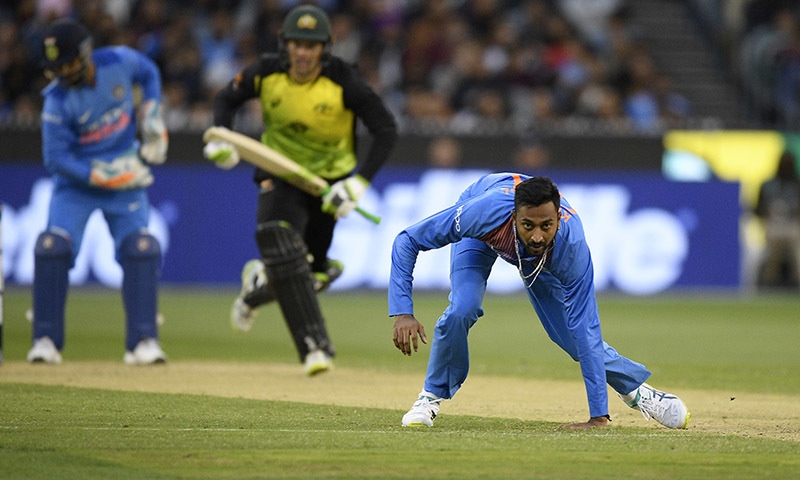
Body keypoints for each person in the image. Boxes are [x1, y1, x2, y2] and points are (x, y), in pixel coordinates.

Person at [390, 173, 690, 429]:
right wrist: (403, 311)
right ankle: (430, 397)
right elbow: (408, 240)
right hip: (483, 229)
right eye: (528, 226)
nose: (536, 236)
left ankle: (637, 392)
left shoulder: (571, 248)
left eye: (546, 225)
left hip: (544, 261)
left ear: (558, 219)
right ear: (513, 218)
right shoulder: (482, 213)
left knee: (570, 336)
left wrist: (598, 416)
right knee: (462, 308)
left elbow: (586, 327)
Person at [204, 5, 397, 375]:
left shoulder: (345, 80)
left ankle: (256, 288)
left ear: (325, 47)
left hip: (328, 185)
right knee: (279, 239)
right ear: (285, 45)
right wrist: (221, 138)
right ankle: (314, 348)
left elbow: (386, 129)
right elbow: (225, 100)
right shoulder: (265, 72)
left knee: (310, 274)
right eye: (297, 45)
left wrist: (356, 184)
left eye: (312, 46)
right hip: (281, 174)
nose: (303, 53)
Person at [28, 18, 169, 365]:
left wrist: (151, 114)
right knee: (52, 247)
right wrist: (98, 175)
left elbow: (149, 71)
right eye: (56, 67)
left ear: (85, 53)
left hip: (126, 176)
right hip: (77, 184)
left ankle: (143, 341)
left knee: (141, 247)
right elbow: (55, 159)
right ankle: (45, 339)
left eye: (69, 63)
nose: (64, 72)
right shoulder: (57, 102)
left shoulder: (118, 62)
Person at [754, 150, 800, 289]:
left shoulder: (797, 184)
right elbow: (757, 208)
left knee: (797, 256)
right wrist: (766, 212)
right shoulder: (769, 184)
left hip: (792, 225)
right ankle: (769, 285)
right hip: (773, 225)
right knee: (772, 259)